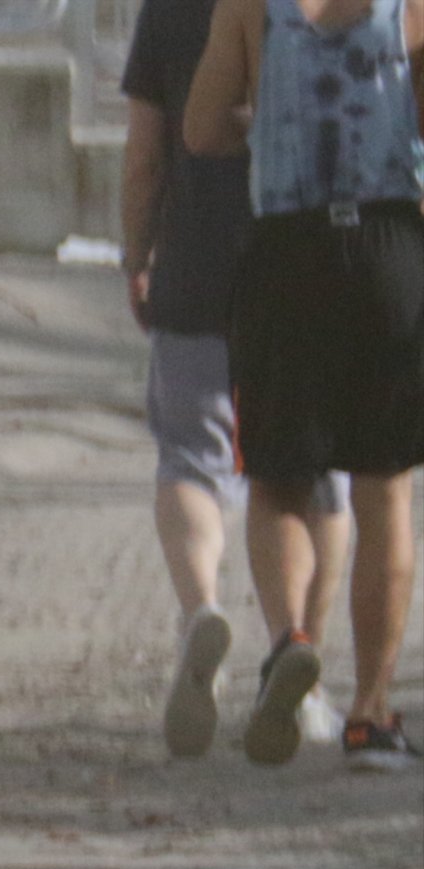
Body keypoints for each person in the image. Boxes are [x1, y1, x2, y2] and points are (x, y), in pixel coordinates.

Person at [185, 0, 424, 769]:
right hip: (388, 248)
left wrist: (266, 119)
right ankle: (370, 715)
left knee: (279, 481)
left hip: (288, 251)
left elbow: (202, 128)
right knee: (386, 490)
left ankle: (291, 636)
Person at [120, 0, 352, 760]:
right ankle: (298, 657)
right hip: (306, 263)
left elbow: (146, 152)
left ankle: (201, 610)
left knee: (191, 460)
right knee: (315, 479)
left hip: (196, 269)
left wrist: (136, 253)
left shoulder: (171, 8)